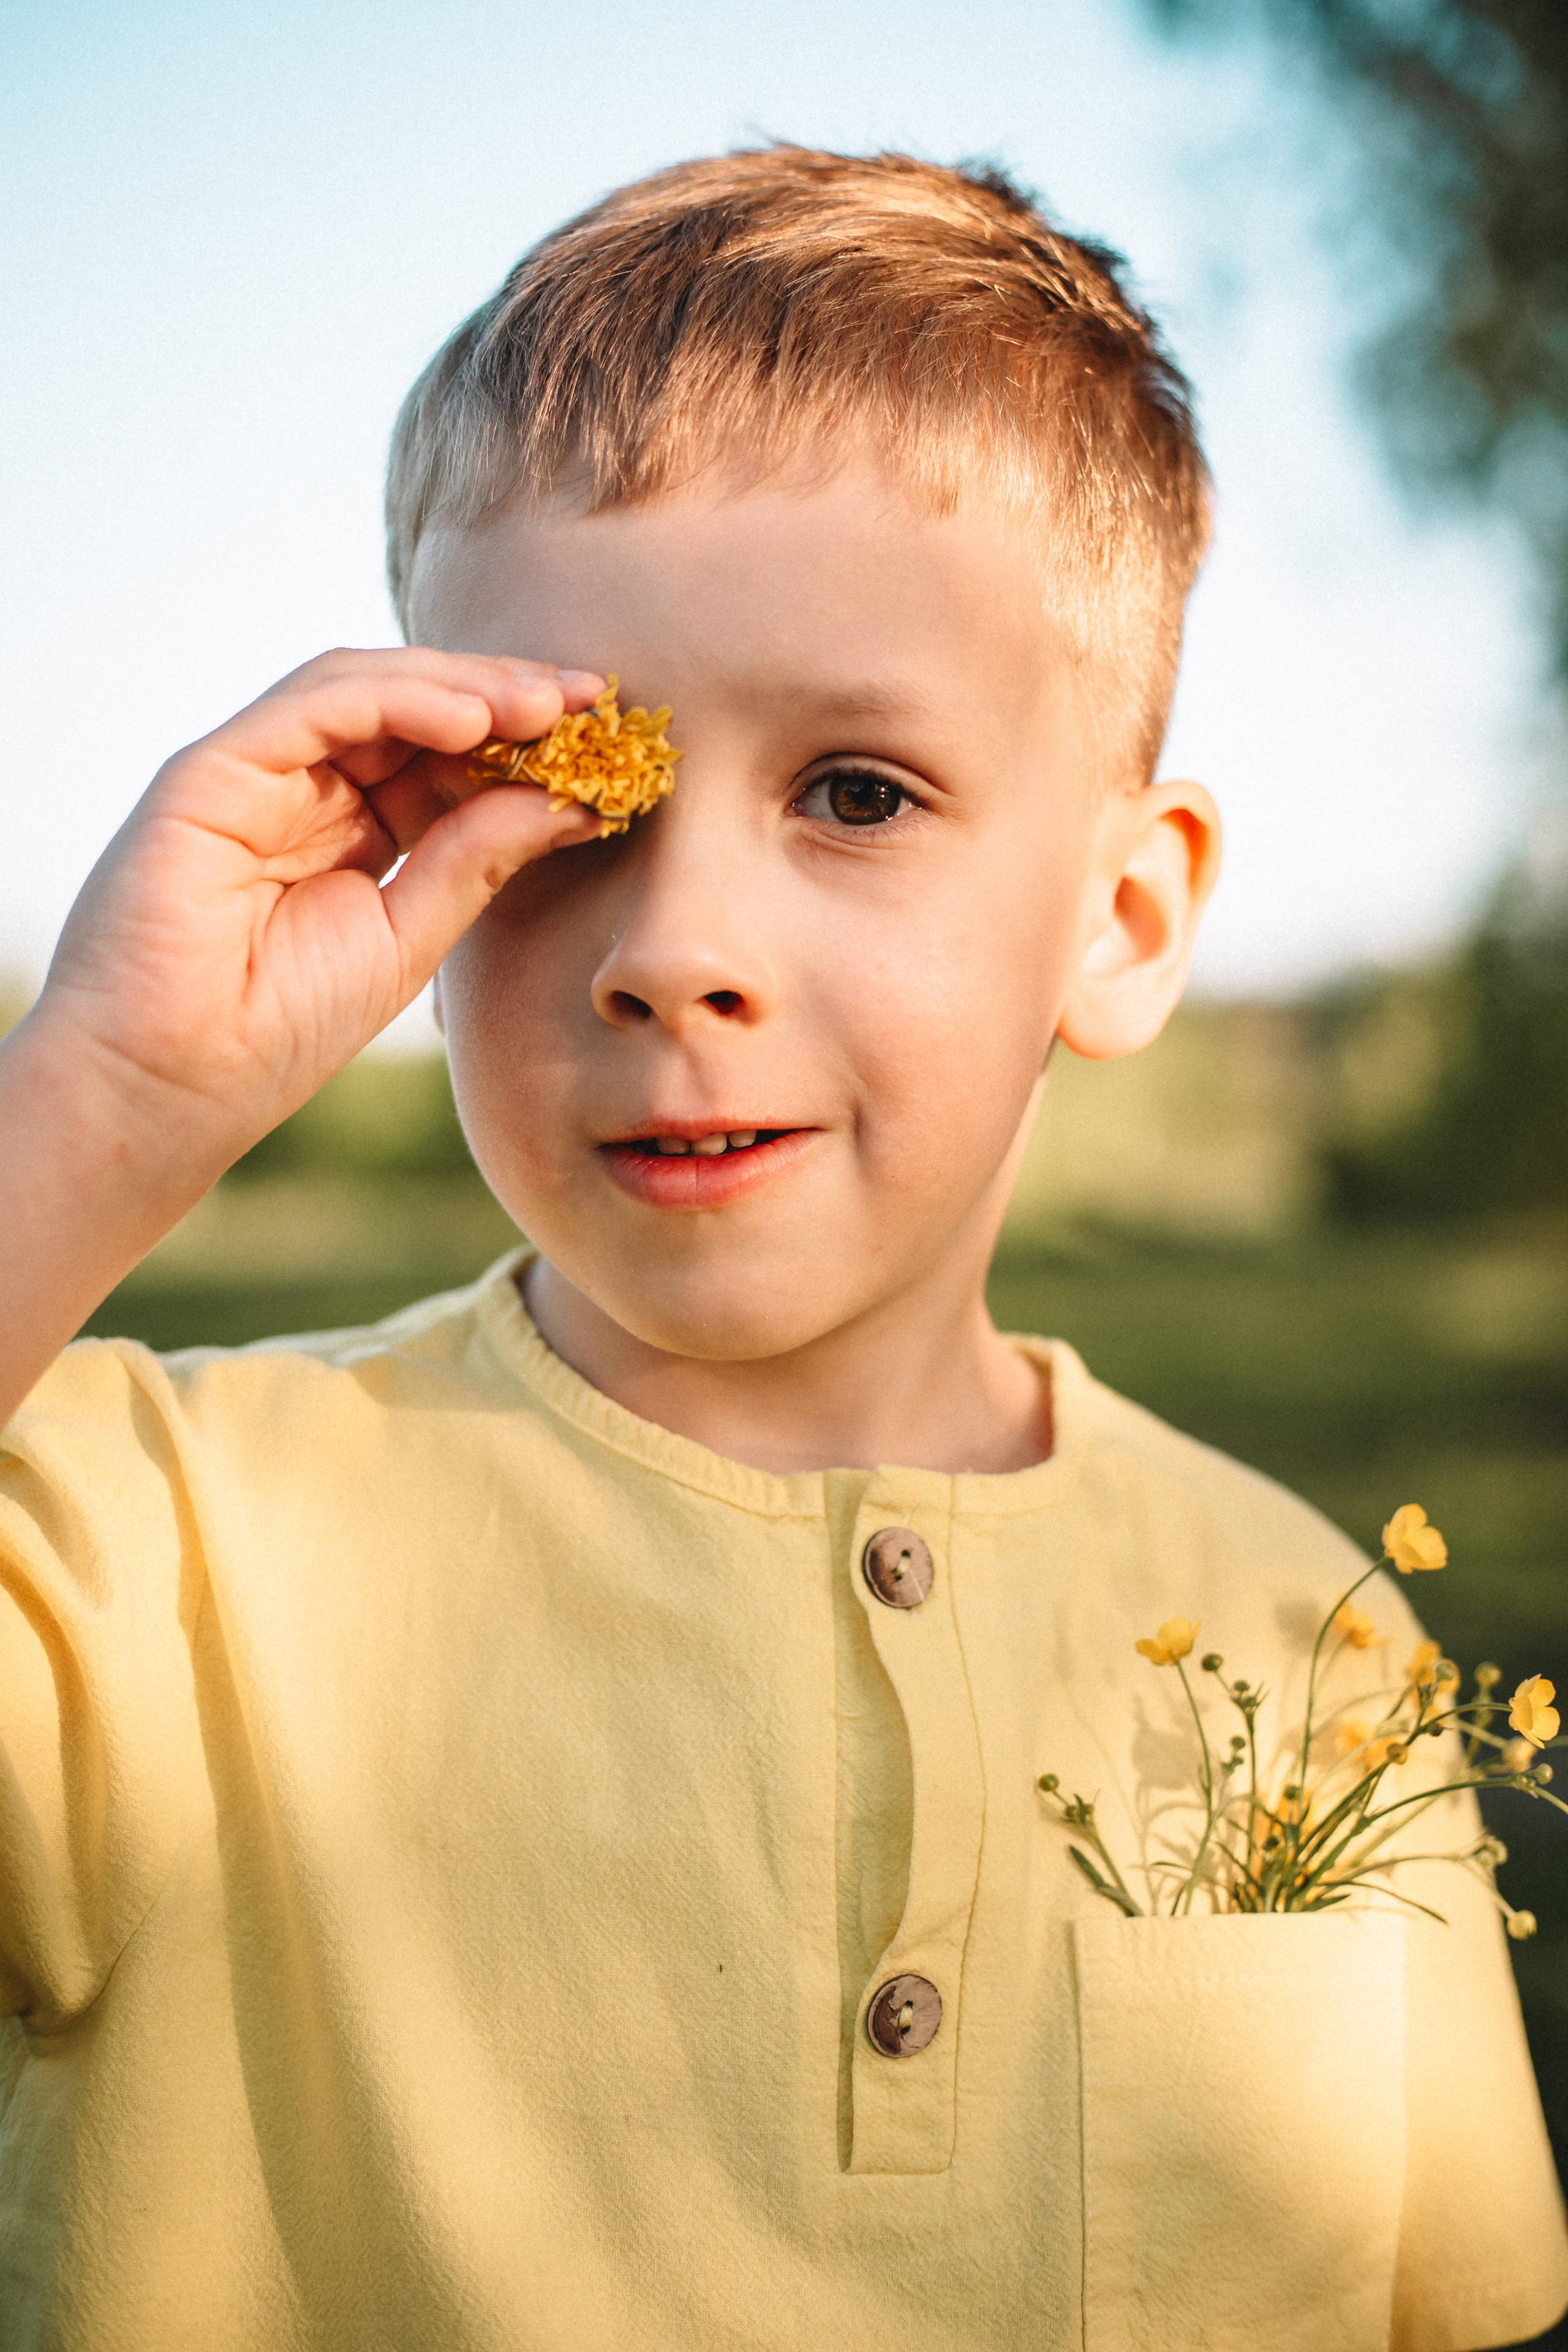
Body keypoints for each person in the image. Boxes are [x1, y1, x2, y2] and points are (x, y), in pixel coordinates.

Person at [0, 147, 1561, 2352]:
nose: (673, 948)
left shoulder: (1316, 1645)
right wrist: (95, 1103)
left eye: (854, 793)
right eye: (575, 801)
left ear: (1122, 921)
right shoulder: (136, 1560)